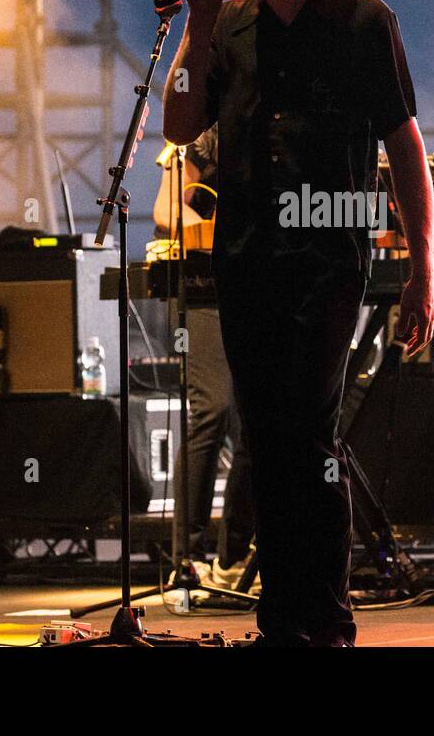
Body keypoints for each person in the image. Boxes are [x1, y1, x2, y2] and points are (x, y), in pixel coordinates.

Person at [163, 0, 434, 647]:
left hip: (326, 264)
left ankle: (324, 622)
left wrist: (421, 270)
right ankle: (284, 620)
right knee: (265, 437)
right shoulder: (235, 25)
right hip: (245, 258)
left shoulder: (362, 23)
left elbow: (406, 149)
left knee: (308, 433)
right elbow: (182, 125)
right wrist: (200, 22)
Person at [151, 128, 255, 587]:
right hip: (206, 285)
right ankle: (186, 558)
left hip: (264, 284)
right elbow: (165, 211)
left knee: (258, 423)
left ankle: (233, 557)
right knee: (211, 409)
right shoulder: (200, 134)